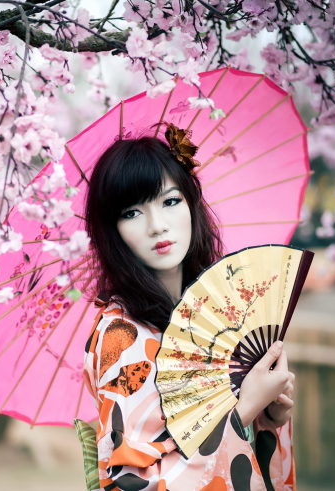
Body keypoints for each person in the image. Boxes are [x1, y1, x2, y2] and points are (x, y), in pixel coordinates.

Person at [82, 128, 297, 491]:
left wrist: (267, 416)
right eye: (132, 212)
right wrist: (243, 409)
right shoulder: (122, 334)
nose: (157, 226)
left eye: (169, 201)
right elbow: (130, 483)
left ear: (191, 202)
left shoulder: (216, 315)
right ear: (111, 231)